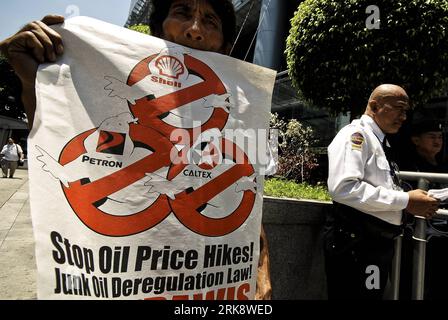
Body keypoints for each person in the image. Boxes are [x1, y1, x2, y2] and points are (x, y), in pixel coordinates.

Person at [0, 0, 272, 299]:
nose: (195, 30)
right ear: (155, 31)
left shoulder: (240, 114)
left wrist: (261, 270)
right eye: (182, 13)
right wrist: (33, 80)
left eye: (210, 21)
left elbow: (249, 195)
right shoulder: (106, 101)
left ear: (226, 47)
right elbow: (63, 131)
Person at [324, 84, 440, 300]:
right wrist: (405, 200)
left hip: (373, 244)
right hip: (356, 243)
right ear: (375, 106)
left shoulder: (380, 141)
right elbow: (343, 188)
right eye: (398, 108)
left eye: (405, 111)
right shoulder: (356, 135)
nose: (403, 117)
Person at [399, 120, 448, 300]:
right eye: (432, 137)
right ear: (416, 140)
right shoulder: (408, 167)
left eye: (440, 137)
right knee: (413, 287)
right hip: (417, 240)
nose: (437, 141)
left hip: (442, 241)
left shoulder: (444, 167)